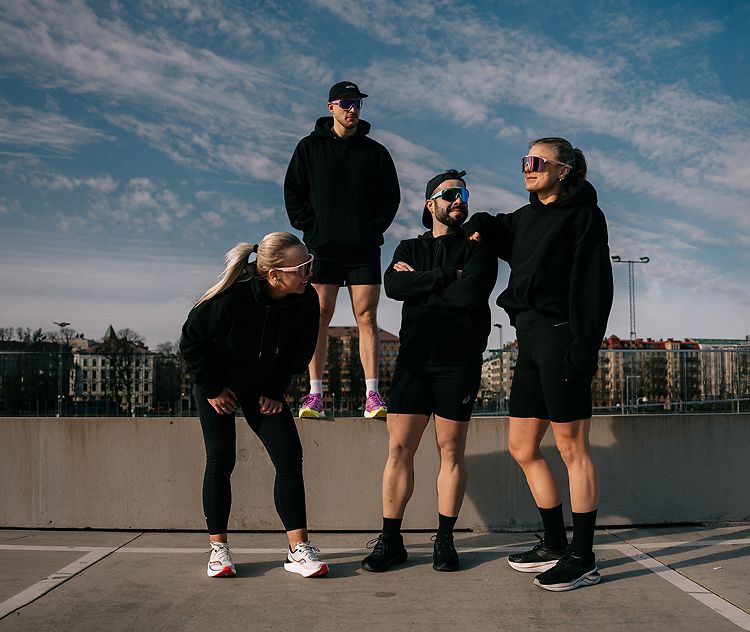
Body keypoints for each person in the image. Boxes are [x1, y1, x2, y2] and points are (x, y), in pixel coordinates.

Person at [464, 138, 614, 591]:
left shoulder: (585, 216)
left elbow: (595, 285)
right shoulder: (525, 218)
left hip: (563, 338)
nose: (526, 168)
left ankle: (583, 557)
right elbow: (496, 227)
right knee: (522, 446)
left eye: (535, 161)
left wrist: (584, 348)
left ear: (563, 170)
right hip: (529, 340)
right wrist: (479, 225)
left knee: (572, 449)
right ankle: (553, 543)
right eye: (524, 161)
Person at [360, 170, 498, 573]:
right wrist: (447, 277)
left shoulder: (478, 247)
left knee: (450, 451)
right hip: (413, 362)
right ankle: (390, 541)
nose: (459, 200)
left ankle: (445, 540)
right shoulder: (408, 247)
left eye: (464, 195)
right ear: (430, 204)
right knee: (399, 450)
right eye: (450, 194)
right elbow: (394, 287)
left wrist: (422, 284)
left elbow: (471, 294)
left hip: (459, 362)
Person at [180, 232, 329, 579]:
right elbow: (191, 342)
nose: (309, 272)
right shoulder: (230, 297)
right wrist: (213, 387)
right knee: (221, 457)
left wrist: (274, 390)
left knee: (289, 456)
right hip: (218, 382)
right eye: (302, 267)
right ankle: (219, 550)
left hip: (262, 386)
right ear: (274, 275)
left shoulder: (306, 298)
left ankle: (298, 549)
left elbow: (299, 352)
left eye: (310, 263)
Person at [284, 80, 400, 420]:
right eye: (346, 103)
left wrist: (371, 229)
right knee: (319, 315)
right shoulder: (309, 148)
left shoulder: (375, 152)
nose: (353, 109)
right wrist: (312, 229)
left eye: (357, 103)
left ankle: (372, 396)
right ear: (331, 107)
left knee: (367, 317)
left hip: (364, 249)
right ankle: (315, 395)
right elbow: (294, 192)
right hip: (323, 249)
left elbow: (390, 197)